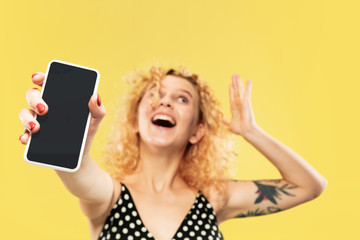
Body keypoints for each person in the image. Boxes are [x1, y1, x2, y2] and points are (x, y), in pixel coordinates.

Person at [19, 65, 327, 240]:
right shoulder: (110, 195)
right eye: (155, 95)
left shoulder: (214, 197)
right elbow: (80, 175)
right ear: (135, 121)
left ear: (197, 131)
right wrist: (73, 144)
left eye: (182, 99)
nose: (164, 102)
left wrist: (251, 132)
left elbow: (310, 186)